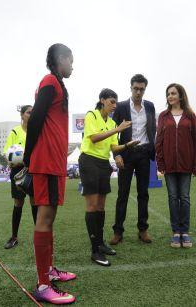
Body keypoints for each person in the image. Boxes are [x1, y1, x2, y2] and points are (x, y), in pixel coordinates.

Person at [23, 43, 76, 304]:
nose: (73, 66)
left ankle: (49, 271)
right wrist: (28, 156)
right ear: (61, 59)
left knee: (50, 217)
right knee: (44, 218)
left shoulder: (57, 84)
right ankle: (43, 285)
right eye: (71, 60)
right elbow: (35, 119)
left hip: (53, 162)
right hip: (45, 162)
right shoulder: (49, 81)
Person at [79, 88, 139, 266]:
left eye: (115, 102)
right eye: (111, 101)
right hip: (89, 161)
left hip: (104, 163)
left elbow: (113, 148)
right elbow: (95, 138)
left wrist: (127, 145)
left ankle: (100, 242)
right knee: (92, 205)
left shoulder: (112, 123)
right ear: (102, 100)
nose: (114, 105)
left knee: (101, 205)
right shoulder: (92, 115)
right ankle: (94, 250)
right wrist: (118, 130)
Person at [110, 74, 156, 245]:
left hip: (144, 153)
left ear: (145, 89)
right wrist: (117, 154)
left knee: (143, 193)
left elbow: (153, 128)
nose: (138, 92)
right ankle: (118, 231)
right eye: (135, 88)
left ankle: (143, 229)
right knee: (123, 194)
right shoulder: (121, 106)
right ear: (130, 88)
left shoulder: (150, 106)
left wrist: (152, 148)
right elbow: (112, 132)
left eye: (141, 89)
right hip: (126, 153)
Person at [155, 83, 196, 248]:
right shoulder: (163, 116)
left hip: (186, 165)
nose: (170, 96)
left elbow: (195, 142)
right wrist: (160, 162)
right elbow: (158, 141)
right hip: (169, 165)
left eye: (173, 93)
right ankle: (176, 232)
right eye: (168, 94)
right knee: (173, 198)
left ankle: (185, 232)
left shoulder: (190, 116)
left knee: (185, 198)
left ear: (181, 95)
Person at [3, 105, 38, 249]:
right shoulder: (15, 132)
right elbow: (7, 152)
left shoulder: (37, 131)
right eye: (29, 112)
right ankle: (14, 237)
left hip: (34, 170)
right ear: (22, 115)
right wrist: (10, 161)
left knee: (35, 202)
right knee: (18, 203)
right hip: (17, 171)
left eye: (33, 112)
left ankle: (39, 237)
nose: (31, 114)